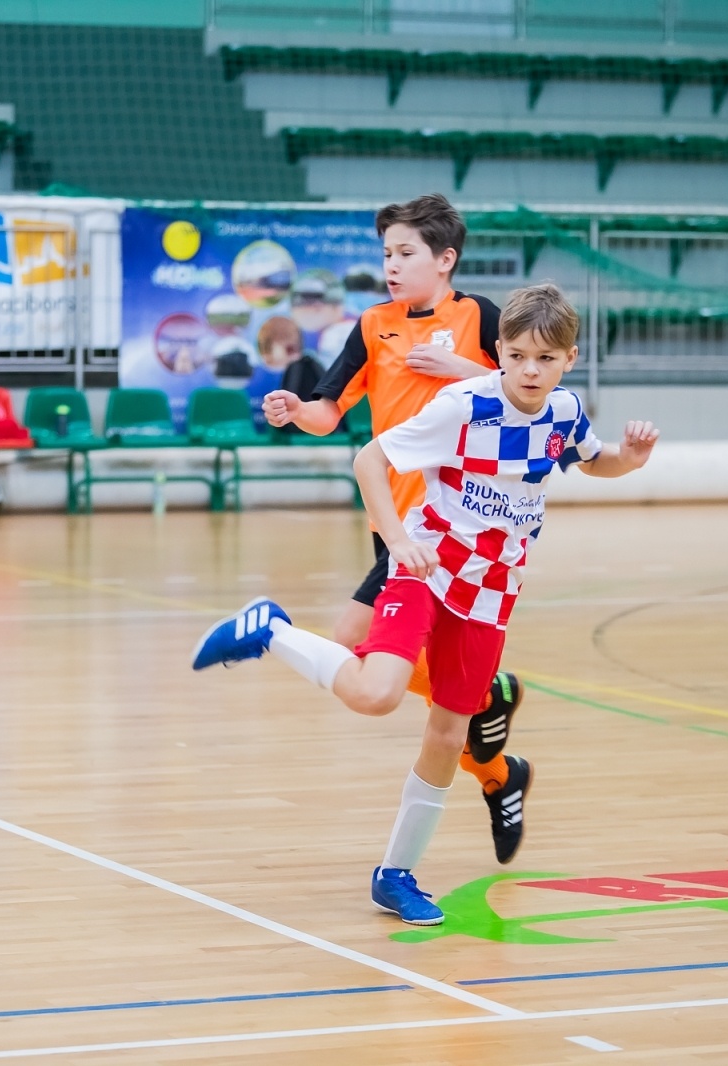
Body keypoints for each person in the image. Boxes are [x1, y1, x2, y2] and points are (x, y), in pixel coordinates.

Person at [193, 283, 660, 925]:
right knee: (376, 692)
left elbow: (592, 460)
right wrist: (397, 539)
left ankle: (396, 874)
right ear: (498, 350)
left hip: (493, 595)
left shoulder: (565, 412)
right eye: (518, 355)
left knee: (448, 734)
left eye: (545, 359)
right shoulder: (464, 404)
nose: (530, 370)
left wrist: (627, 461)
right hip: (428, 569)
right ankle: (271, 631)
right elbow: (370, 459)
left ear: (569, 359)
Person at [261, 194, 529, 861]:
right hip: (395, 526)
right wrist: (297, 410)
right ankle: (497, 768)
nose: (391, 265)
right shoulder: (374, 325)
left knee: (356, 644)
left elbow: (529, 390)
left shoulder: (480, 318)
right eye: (386, 253)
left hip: (454, 526)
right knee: (431, 687)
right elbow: (330, 411)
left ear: (445, 260)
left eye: (405, 253)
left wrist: (466, 370)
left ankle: (489, 722)